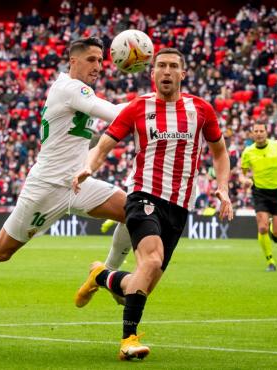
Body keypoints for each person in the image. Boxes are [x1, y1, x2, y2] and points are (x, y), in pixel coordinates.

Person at [0, 37, 134, 325]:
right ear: (73, 61)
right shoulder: (72, 88)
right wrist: (155, 105)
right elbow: (115, 113)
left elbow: (102, 114)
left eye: (100, 60)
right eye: (92, 60)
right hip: (46, 187)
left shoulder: (76, 91)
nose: (98, 66)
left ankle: (106, 276)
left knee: (134, 211)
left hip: (76, 183)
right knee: (1, 250)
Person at [72, 48, 233, 361]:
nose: (167, 71)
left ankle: (100, 276)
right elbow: (104, 145)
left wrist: (223, 189)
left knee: (140, 282)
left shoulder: (201, 110)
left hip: (179, 206)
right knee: (152, 259)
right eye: (161, 66)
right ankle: (128, 340)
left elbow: (220, 152)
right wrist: (89, 167)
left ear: (183, 74)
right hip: (143, 195)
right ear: (153, 72)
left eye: (174, 66)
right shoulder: (137, 107)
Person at [239, 122, 277, 271]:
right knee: (262, 228)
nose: (259, 133)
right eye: (256, 131)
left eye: (261, 131)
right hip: (260, 193)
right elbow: (242, 173)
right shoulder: (248, 152)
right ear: (252, 134)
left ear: (266, 132)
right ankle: (270, 261)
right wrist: (244, 180)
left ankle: (273, 228)